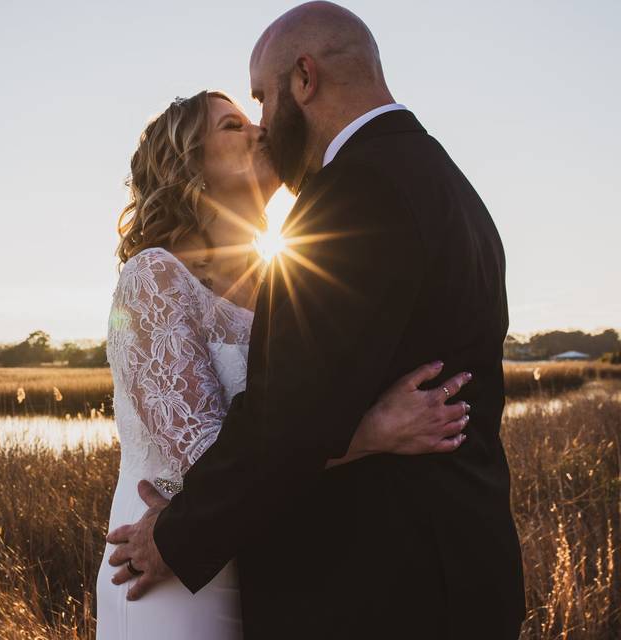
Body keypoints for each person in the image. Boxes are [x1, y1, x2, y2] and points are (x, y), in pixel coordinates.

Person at [103, 3, 525, 639]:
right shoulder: (450, 186)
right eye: (236, 122)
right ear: (186, 162)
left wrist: (181, 535)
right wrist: (371, 430)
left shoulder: (353, 193)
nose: (264, 127)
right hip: (216, 571)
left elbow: (286, 421)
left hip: (383, 585)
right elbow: (265, 424)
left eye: (262, 102)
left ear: (305, 78)